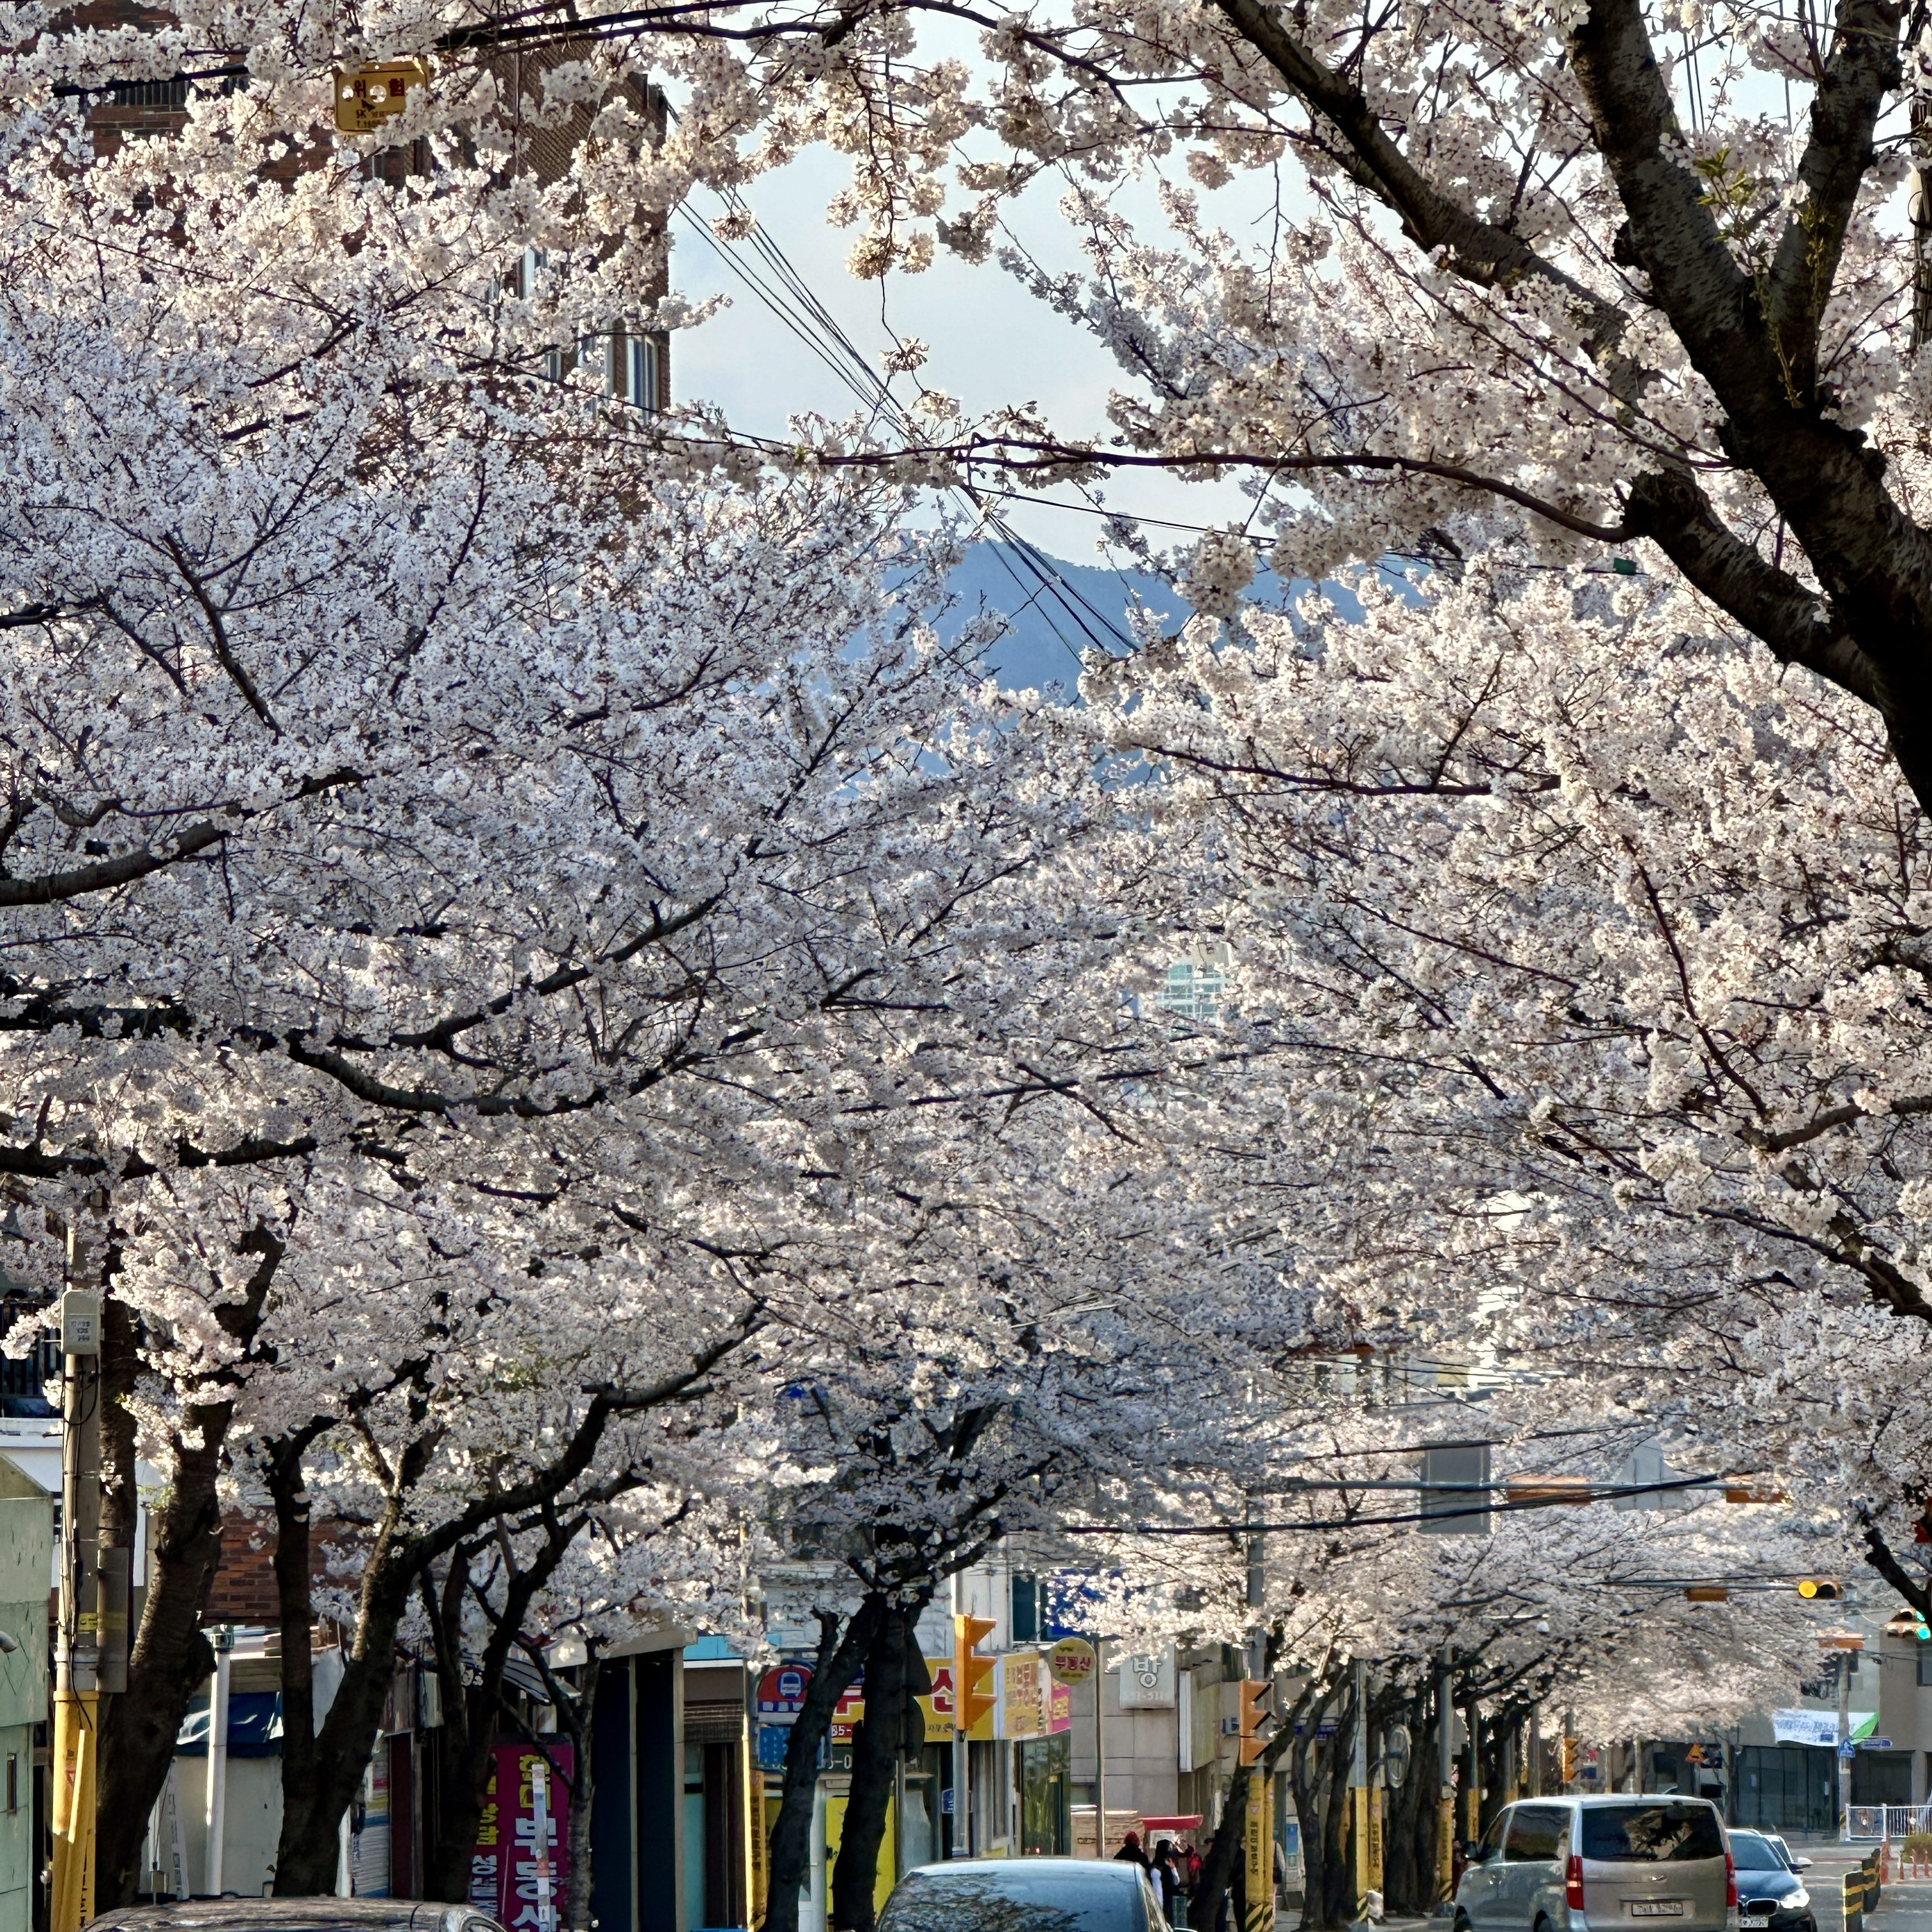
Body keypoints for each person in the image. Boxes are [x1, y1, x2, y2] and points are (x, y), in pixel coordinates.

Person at [1152, 1841, 1184, 1924]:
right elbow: (1157, 1890)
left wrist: (1173, 1868)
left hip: (1168, 1903)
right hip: (1161, 1905)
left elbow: (1176, 1881)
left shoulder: (1168, 1866)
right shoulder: (1156, 1869)